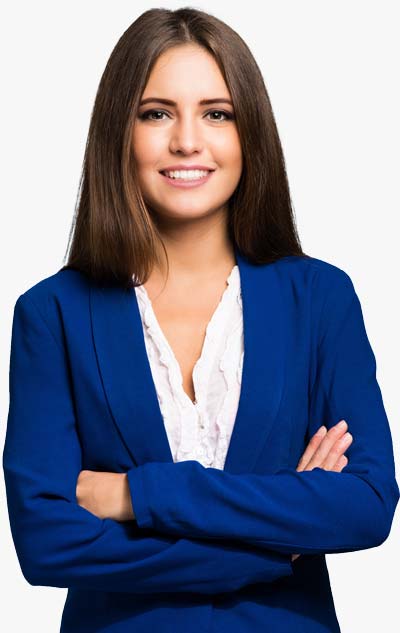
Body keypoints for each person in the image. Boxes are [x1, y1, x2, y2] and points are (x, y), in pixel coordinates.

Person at [3, 7, 398, 633]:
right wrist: (278, 540)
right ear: (119, 133)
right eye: (156, 113)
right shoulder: (52, 314)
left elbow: (368, 505)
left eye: (217, 113)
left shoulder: (320, 298)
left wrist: (136, 495)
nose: (187, 140)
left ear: (251, 135)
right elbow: (46, 543)